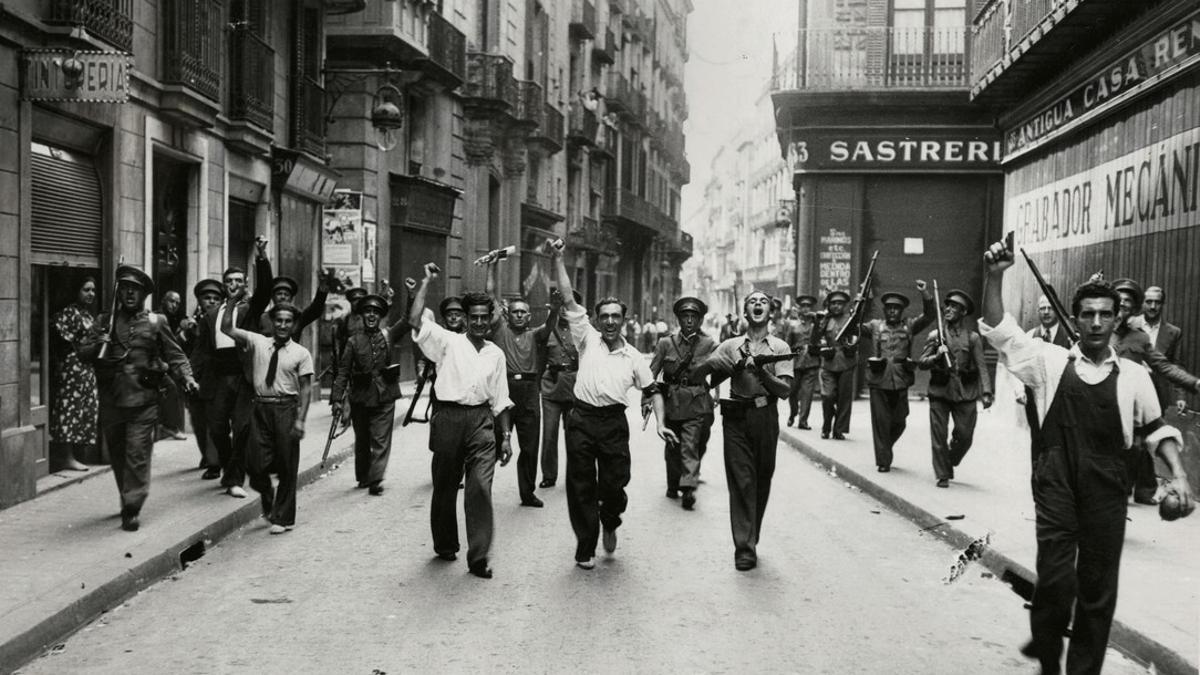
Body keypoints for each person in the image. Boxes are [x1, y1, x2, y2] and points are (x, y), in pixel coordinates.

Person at [980, 240, 1194, 675]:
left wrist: (1179, 475)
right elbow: (1000, 328)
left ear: (1116, 321)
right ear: (1075, 320)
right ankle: (1046, 649)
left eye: (1104, 315)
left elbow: (1157, 430)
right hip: (1056, 481)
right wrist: (995, 275)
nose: (1096, 322)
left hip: (1107, 486)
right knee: (1056, 581)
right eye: (1087, 314)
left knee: (1098, 591)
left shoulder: (1135, 376)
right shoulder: (1047, 362)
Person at [549, 239, 676, 570]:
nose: (608, 322)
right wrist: (559, 259)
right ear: (595, 319)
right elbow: (566, 296)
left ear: (624, 320)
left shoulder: (634, 357)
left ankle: (610, 520)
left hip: (612, 424)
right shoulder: (586, 338)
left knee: (614, 484)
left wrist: (661, 423)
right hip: (581, 419)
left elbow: (653, 390)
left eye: (614, 316)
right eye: (603, 316)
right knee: (580, 484)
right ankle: (585, 545)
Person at [410, 263, 513, 580]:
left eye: (485, 317)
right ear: (466, 319)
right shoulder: (447, 342)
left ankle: (479, 556)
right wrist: (426, 281)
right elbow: (415, 320)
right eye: (474, 318)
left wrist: (506, 436)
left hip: (482, 421)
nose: (480, 323)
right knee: (444, 486)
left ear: (490, 318)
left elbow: (501, 398)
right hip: (449, 418)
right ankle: (445, 543)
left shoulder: (495, 354)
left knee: (480, 486)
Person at [690, 290, 794, 571]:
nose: (758, 305)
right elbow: (700, 375)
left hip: (765, 416)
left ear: (771, 312)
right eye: (752, 302)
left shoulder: (780, 347)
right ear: (744, 312)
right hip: (735, 417)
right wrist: (716, 365)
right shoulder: (730, 345)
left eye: (763, 302)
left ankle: (751, 532)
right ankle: (744, 547)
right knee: (741, 482)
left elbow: (785, 390)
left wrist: (762, 373)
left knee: (761, 479)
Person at [92, 265, 197, 531]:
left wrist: (187, 377)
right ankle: (127, 495)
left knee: (137, 454)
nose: (129, 293)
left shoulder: (155, 322)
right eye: (125, 288)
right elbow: (82, 352)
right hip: (112, 400)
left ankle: (132, 507)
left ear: (144, 295)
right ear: (118, 291)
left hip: (143, 399)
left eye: (135, 290)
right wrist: (96, 344)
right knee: (117, 454)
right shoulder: (105, 320)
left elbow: (175, 355)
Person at [221, 301, 313, 534]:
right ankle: (267, 493)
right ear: (272, 322)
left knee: (287, 464)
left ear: (294, 325)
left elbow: (306, 389)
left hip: (286, 409)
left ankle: (282, 518)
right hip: (260, 407)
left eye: (288, 321)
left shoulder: (301, 353)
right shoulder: (258, 342)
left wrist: (301, 419)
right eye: (279, 320)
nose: (282, 325)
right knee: (254, 462)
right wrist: (231, 302)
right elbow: (227, 329)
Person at [1107, 278, 1200, 505]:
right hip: (1095, 407)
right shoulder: (1099, 329)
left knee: (1129, 454)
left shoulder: (1139, 338)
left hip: (1125, 411)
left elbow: (1165, 365)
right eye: (1120, 299)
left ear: (1134, 308)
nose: (1124, 304)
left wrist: (1195, 384)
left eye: (1129, 301)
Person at [194, 238, 272, 498]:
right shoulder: (211, 315)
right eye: (230, 282)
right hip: (217, 379)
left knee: (241, 428)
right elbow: (202, 350)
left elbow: (265, 292)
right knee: (216, 428)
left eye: (239, 281)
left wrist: (261, 257)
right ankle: (229, 467)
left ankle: (235, 479)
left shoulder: (250, 310)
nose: (234, 285)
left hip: (242, 377)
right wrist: (192, 376)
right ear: (224, 285)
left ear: (244, 284)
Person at [484, 259, 544, 507]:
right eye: (515, 311)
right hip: (504, 389)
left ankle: (527, 493)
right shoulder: (500, 329)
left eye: (523, 312)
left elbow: (550, 326)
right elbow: (490, 294)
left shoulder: (534, 334)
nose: (519, 315)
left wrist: (558, 305)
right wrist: (491, 266)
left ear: (529, 316)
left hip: (530, 392)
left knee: (530, 447)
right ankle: (482, 489)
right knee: (494, 443)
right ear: (508, 314)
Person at [918, 288, 993, 487]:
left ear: (963, 312)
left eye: (954, 307)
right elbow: (922, 362)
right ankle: (942, 474)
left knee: (965, 435)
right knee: (939, 434)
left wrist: (986, 392)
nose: (948, 309)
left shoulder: (973, 338)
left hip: (965, 391)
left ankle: (951, 458)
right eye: (947, 306)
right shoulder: (936, 335)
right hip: (940, 390)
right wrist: (936, 356)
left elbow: (981, 366)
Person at [649, 296, 716, 510]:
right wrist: (647, 399)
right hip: (671, 401)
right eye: (685, 316)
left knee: (691, 444)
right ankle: (673, 482)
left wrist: (715, 392)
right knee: (672, 445)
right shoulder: (665, 343)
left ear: (700, 320)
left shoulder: (709, 344)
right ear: (678, 319)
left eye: (693, 317)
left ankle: (687, 488)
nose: (689, 321)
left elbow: (719, 370)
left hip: (696, 401)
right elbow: (651, 374)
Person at [331, 294, 401, 496]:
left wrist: (411, 296)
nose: (371, 315)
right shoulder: (353, 342)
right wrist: (337, 399)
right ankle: (363, 476)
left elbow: (406, 321)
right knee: (362, 439)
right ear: (362, 316)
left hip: (385, 395)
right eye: (368, 312)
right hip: (360, 396)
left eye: (376, 312)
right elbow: (343, 371)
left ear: (380, 317)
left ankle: (376, 479)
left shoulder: (388, 335)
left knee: (380, 439)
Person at [860, 281, 934, 472]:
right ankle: (883, 461)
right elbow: (856, 324)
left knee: (900, 420)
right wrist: (864, 298)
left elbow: (929, 316)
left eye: (897, 309)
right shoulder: (875, 326)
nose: (893, 311)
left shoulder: (909, 326)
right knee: (881, 422)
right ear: (884, 310)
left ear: (902, 311)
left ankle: (885, 446)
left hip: (901, 379)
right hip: (878, 379)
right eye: (889, 308)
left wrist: (925, 294)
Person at [49, 276, 99, 472]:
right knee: (70, 409)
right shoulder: (69, 313)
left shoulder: (86, 314)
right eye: (86, 290)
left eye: (93, 290)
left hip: (86, 368)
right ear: (76, 291)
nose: (91, 294)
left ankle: (77, 455)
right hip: (73, 368)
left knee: (85, 409)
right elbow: (60, 338)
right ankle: (66, 457)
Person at [534, 288, 582, 489]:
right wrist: (536, 386)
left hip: (574, 387)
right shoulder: (547, 329)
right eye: (560, 306)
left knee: (574, 435)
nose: (563, 310)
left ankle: (574, 475)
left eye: (568, 306)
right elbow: (540, 359)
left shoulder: (581, 332)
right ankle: (549, 475)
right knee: (549, 434)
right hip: (551, 386)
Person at [179, 279, 225, 478]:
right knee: (198, 421)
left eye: (216, 298)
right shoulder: (188, 324)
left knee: (215, 421)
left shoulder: (224, 321)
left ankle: (215, 462)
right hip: (194, 380)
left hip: (217, 379)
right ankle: (206, 455)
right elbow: (179, 351)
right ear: (199, 300)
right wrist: (186, 332)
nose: (212, 302)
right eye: (207, 298)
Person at [817, 290, 857, 440]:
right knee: (827, 396)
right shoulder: (826, 320)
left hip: (846, 361)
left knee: (844, 399)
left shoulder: (851, 319)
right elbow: (817, 339)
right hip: (828, 362)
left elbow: (856, 335)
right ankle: (826, 425)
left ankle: (838, 429)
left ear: (845, 305)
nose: (836, 306)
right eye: (833, 303)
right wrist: (823, 347)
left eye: (840, 303)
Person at [1141, 286, 1186, 414]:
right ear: (1142, 303)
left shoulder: (1173, 332)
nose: (1153, 306)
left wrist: (1180, 396)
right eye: (1149, 302)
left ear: (1163, 304)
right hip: (1130, 391)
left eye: (1157, 302)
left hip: (1158, 394)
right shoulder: (1130, 325)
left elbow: (1177, 366)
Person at [156, 290, 188, 441]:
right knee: (171, 389)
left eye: (177, 303)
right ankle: (169, 427)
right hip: (156, 363)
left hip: (166, 363)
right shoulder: (157, 317)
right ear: (163, 301)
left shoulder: (173, 318)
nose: (174, 305)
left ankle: (170, 426)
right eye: (171, 301)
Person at [785, 295, 820, 429]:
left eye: (809, 306)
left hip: (811, 362)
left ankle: (803, 420)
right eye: (803, 306)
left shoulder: (816, 325)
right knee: (792, 392)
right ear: (799, 308)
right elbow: (787, 345)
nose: (806, 309)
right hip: (795, 363)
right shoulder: (792, 325)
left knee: (807, 393)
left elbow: (820, 338)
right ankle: (793, 412)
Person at [256, 274, 328, 337]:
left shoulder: (298, 317)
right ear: (273, 297)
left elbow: (315, 310)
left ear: (291, 299)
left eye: (286, 294)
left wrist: (322, 290)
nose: (283, 297)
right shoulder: (263, 318)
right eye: (279, 294)